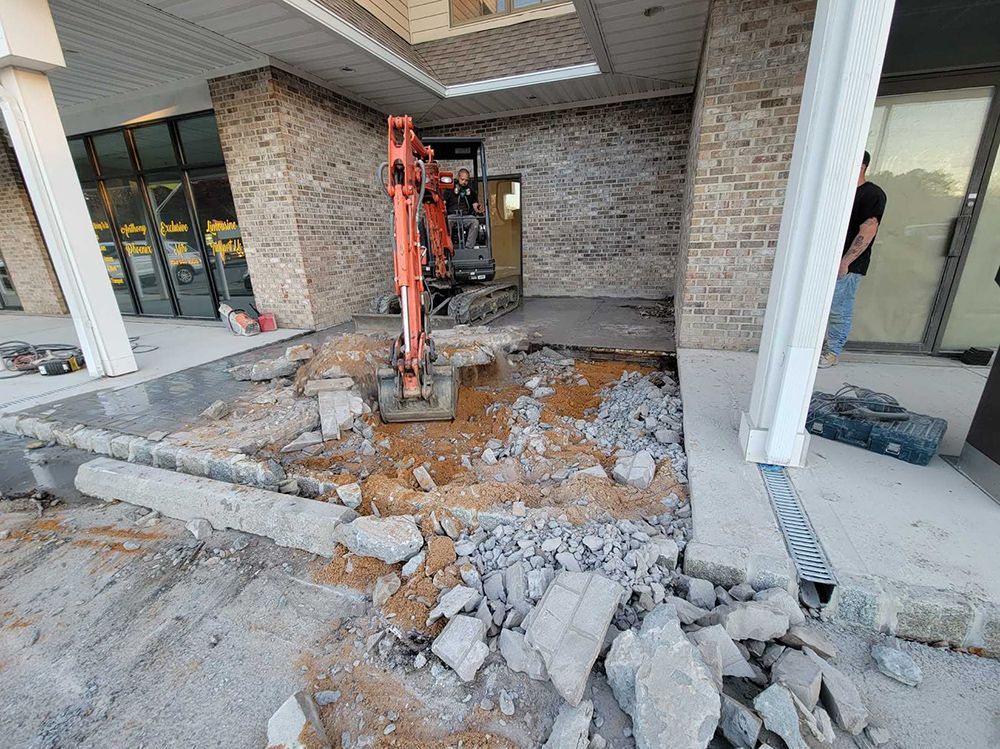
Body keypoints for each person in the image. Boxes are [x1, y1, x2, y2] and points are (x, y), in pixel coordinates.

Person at [820, 150, 887, 368]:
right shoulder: (841, 193)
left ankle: (832, 353)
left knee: (838, 309)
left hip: (848, 264)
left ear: (861, 165)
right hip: (826, 260)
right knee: (821, 306)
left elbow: (868, 229)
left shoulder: (872, 194)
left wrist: (845, 262)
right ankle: (818, 348)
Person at [446, 168, 482, 248]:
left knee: (475, 222)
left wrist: (478, 208)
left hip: (465, 217)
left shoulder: (470, 191)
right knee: (446, 222)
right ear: (458, 177)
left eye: (466, 180)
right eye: (462, 179)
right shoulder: (449, 189)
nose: (464, 182)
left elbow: (475, 204)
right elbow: (444, 203)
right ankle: (449, 246)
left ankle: (469, 247)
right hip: (452, 216)